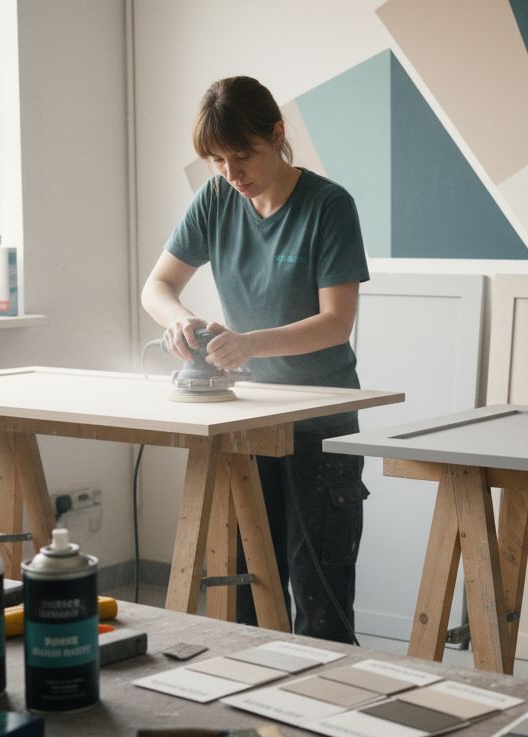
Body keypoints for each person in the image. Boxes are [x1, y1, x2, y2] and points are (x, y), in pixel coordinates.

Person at [141, 76, 370, 643]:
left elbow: (337, 322)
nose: (231, 173)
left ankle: (327, 718)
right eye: (218, 160)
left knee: (321, 604)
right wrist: (176, 318)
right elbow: (157, 286)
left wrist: (248, 343)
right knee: (247, 595)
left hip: (320, 421)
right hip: (250, 418)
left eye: (243, 155)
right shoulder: (216, 199)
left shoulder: (328, 205)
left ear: (278, 134)